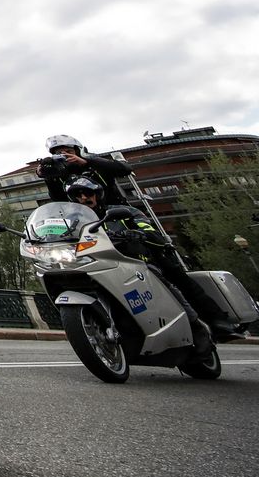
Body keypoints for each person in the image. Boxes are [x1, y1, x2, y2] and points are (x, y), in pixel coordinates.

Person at [64, 177, 233, 340]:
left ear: (98, 194)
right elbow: (61, 237)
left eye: (87, 193)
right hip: (105, 265)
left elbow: (149, 230)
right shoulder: (75, 224)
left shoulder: (125, 212)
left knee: (177, 280)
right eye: (78, 195)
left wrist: (136, 233)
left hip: (142, 260)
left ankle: (207, 322)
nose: (83, 198)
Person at [38, 135, 132, 206]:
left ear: (78, 152)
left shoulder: (95, 165)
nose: (65, 155)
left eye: (69, 152)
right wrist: (48, 177)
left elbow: (125, 169)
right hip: (84, 219)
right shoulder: (60, 175)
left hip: (116, 211)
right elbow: (58, 200)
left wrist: (87, 162)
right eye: (59, 153)